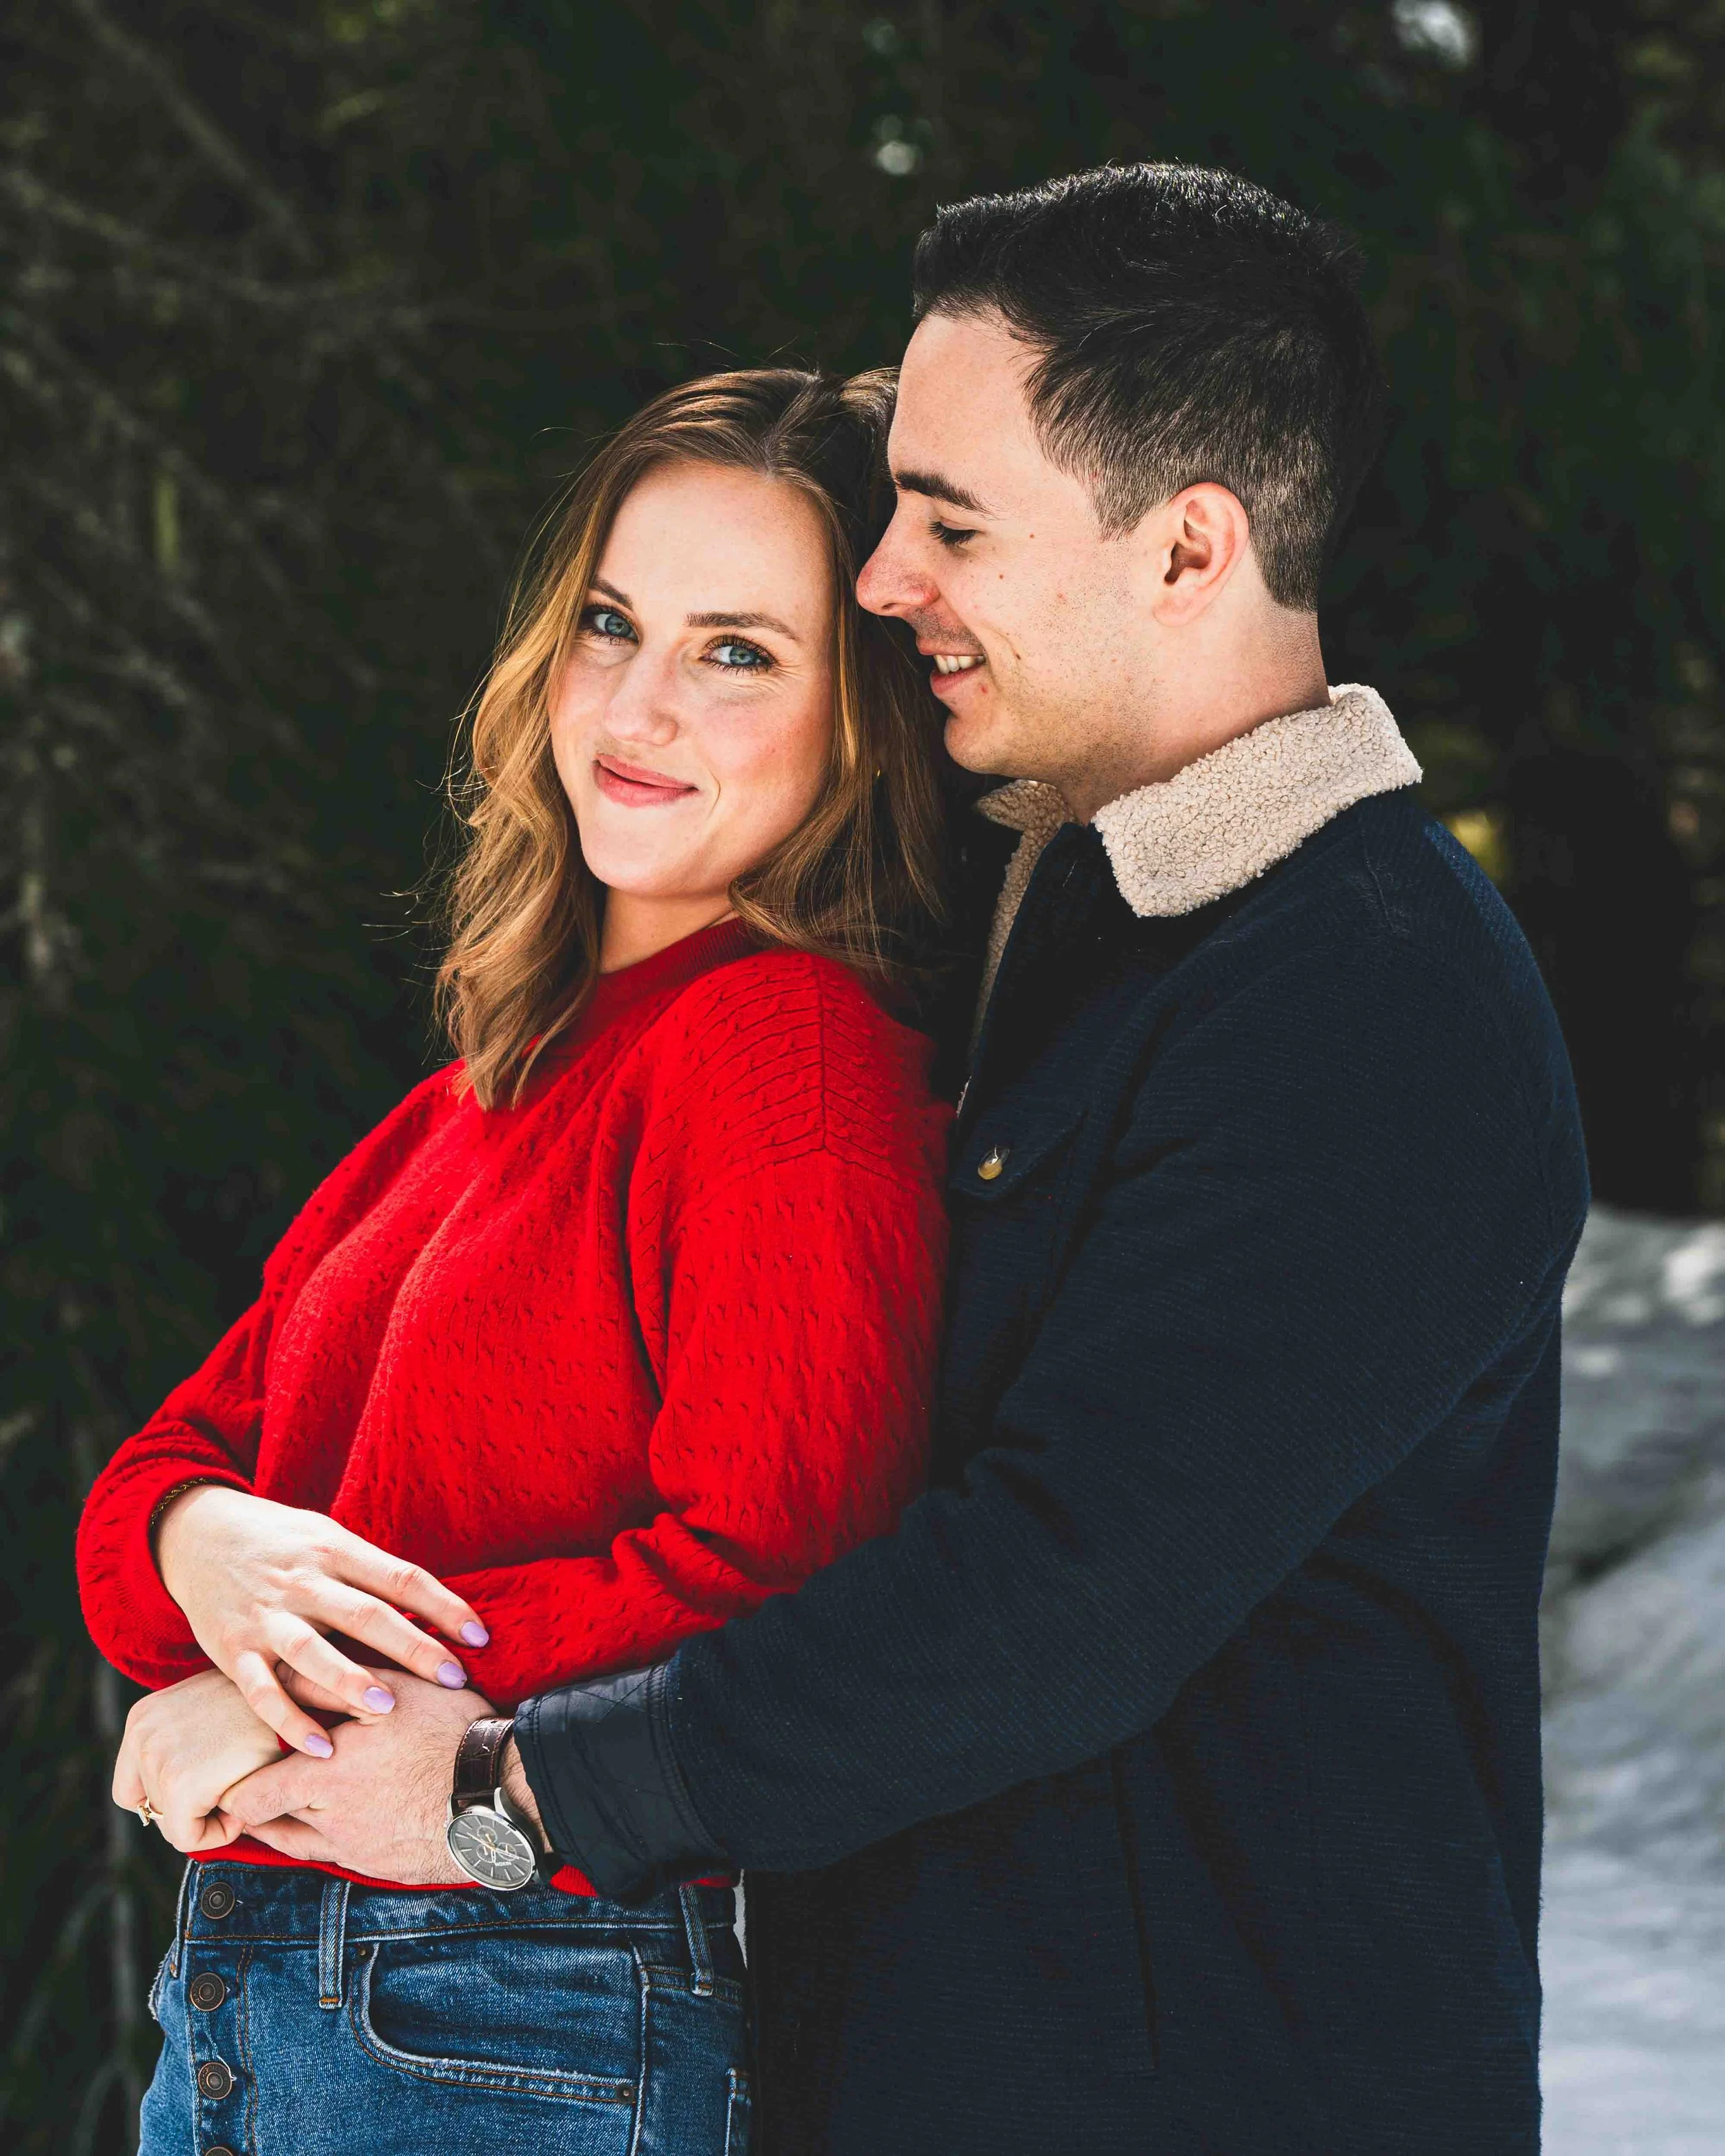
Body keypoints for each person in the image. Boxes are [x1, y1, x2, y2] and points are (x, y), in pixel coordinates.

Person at [199, 165, 1585, 2156]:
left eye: (950, 521)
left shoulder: (1365, 991)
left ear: (1188, 548)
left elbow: (1060, 1594)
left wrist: (509, 1787)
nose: (880, 581)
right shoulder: (1052, 920)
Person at [75, 367, 954, 2156]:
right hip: (263, 1997)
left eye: (736, 652)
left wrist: (299, 1705)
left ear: (861, 719)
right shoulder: (477, 1097)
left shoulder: (784, 1053)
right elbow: (150, 1490)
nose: (637, 704)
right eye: (611, 624)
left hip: (518, 1998)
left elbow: (783, 1580)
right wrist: (203, 1544)